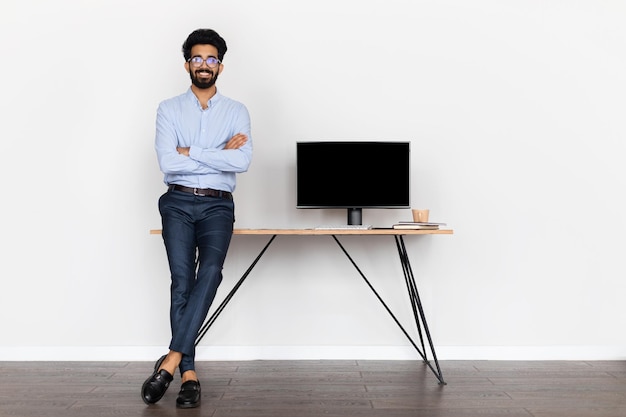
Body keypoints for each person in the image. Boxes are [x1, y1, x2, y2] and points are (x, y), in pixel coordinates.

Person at [141, 28, 252, 409]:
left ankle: (170, 362)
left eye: (211, 59)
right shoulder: (168, 109)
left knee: (212, 272)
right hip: (177, 203)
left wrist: (193, 151)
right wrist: (217, 150)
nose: (204, 65)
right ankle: (189, 374)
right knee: (181, 282)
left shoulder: (237, 111)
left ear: (221, 65)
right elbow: (168, 161)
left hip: (218, 205)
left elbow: (243, 161)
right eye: (197, 58)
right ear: (187, 63)